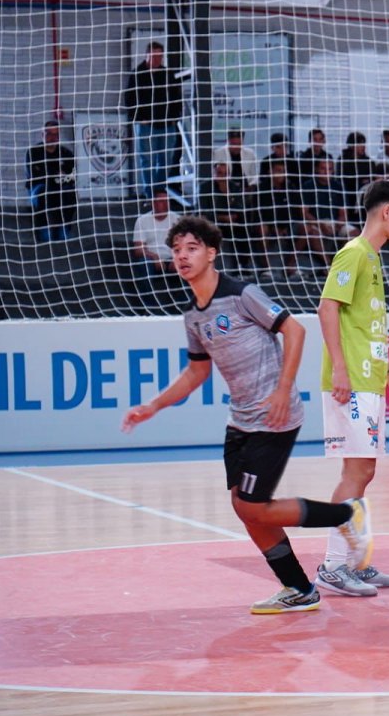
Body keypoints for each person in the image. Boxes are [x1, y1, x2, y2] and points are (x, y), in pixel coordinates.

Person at [121, 215, 370, 614]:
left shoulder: (241, 295)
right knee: (244, 508)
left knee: (254, 506)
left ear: (211, 253)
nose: (182, 256)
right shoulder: (194, 315)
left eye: (191, 248)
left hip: (275, 416)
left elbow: (295, 331)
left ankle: (345, 513)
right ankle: (299, 589)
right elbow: (197, 372)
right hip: (240, 420)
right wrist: (153, 406)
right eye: (177, 250)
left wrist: (283, 389)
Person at [315, 180, 389, 597]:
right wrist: (340, 368)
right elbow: (327, 308)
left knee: (364, 471)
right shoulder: (354, 252)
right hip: (351, 381)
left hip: (368, 379)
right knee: (356, 471)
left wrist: (388, 370)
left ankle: (354, 561)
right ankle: (333, 565)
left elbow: (363, 325)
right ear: (386, 212)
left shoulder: (373, 258)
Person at [123, 41, 182, 200]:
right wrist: (138, 119)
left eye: (160, 56)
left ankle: (160, 193)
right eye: (154, 56)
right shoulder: (137, 74)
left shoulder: (167, 74)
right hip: (146, 126)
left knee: (165, 160)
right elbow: (129, 100)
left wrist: (174, 118)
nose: (157, 60)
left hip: (166, 125)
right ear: (147, 55)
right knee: (147, 161)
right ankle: (150, 196)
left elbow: (176, 97)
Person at [24, 120, 77, 243]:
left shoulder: (66, 154)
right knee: (44, 194)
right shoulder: (33, 153)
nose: (52, 137)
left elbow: (72, 176)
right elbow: (36, 176)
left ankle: (64, 230)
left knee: (70, 195)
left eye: (55, 134)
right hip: (39, 188)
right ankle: (43, 231)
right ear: (42, 135)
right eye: (49, 134)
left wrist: (54, 176)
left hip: (60, 188)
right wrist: (57, 176)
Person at [130, 189, 181, 305]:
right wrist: (154, 257)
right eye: (161, 201)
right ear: (153, 203)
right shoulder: (142, 221)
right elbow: (138, 250)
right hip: (151, 260)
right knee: (143, 264)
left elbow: (184, 245)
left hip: (172, 258)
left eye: (167, 201)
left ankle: (184, 304)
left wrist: (177, 258)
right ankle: (149, 306)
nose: (165, 204)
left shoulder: (177, 219)